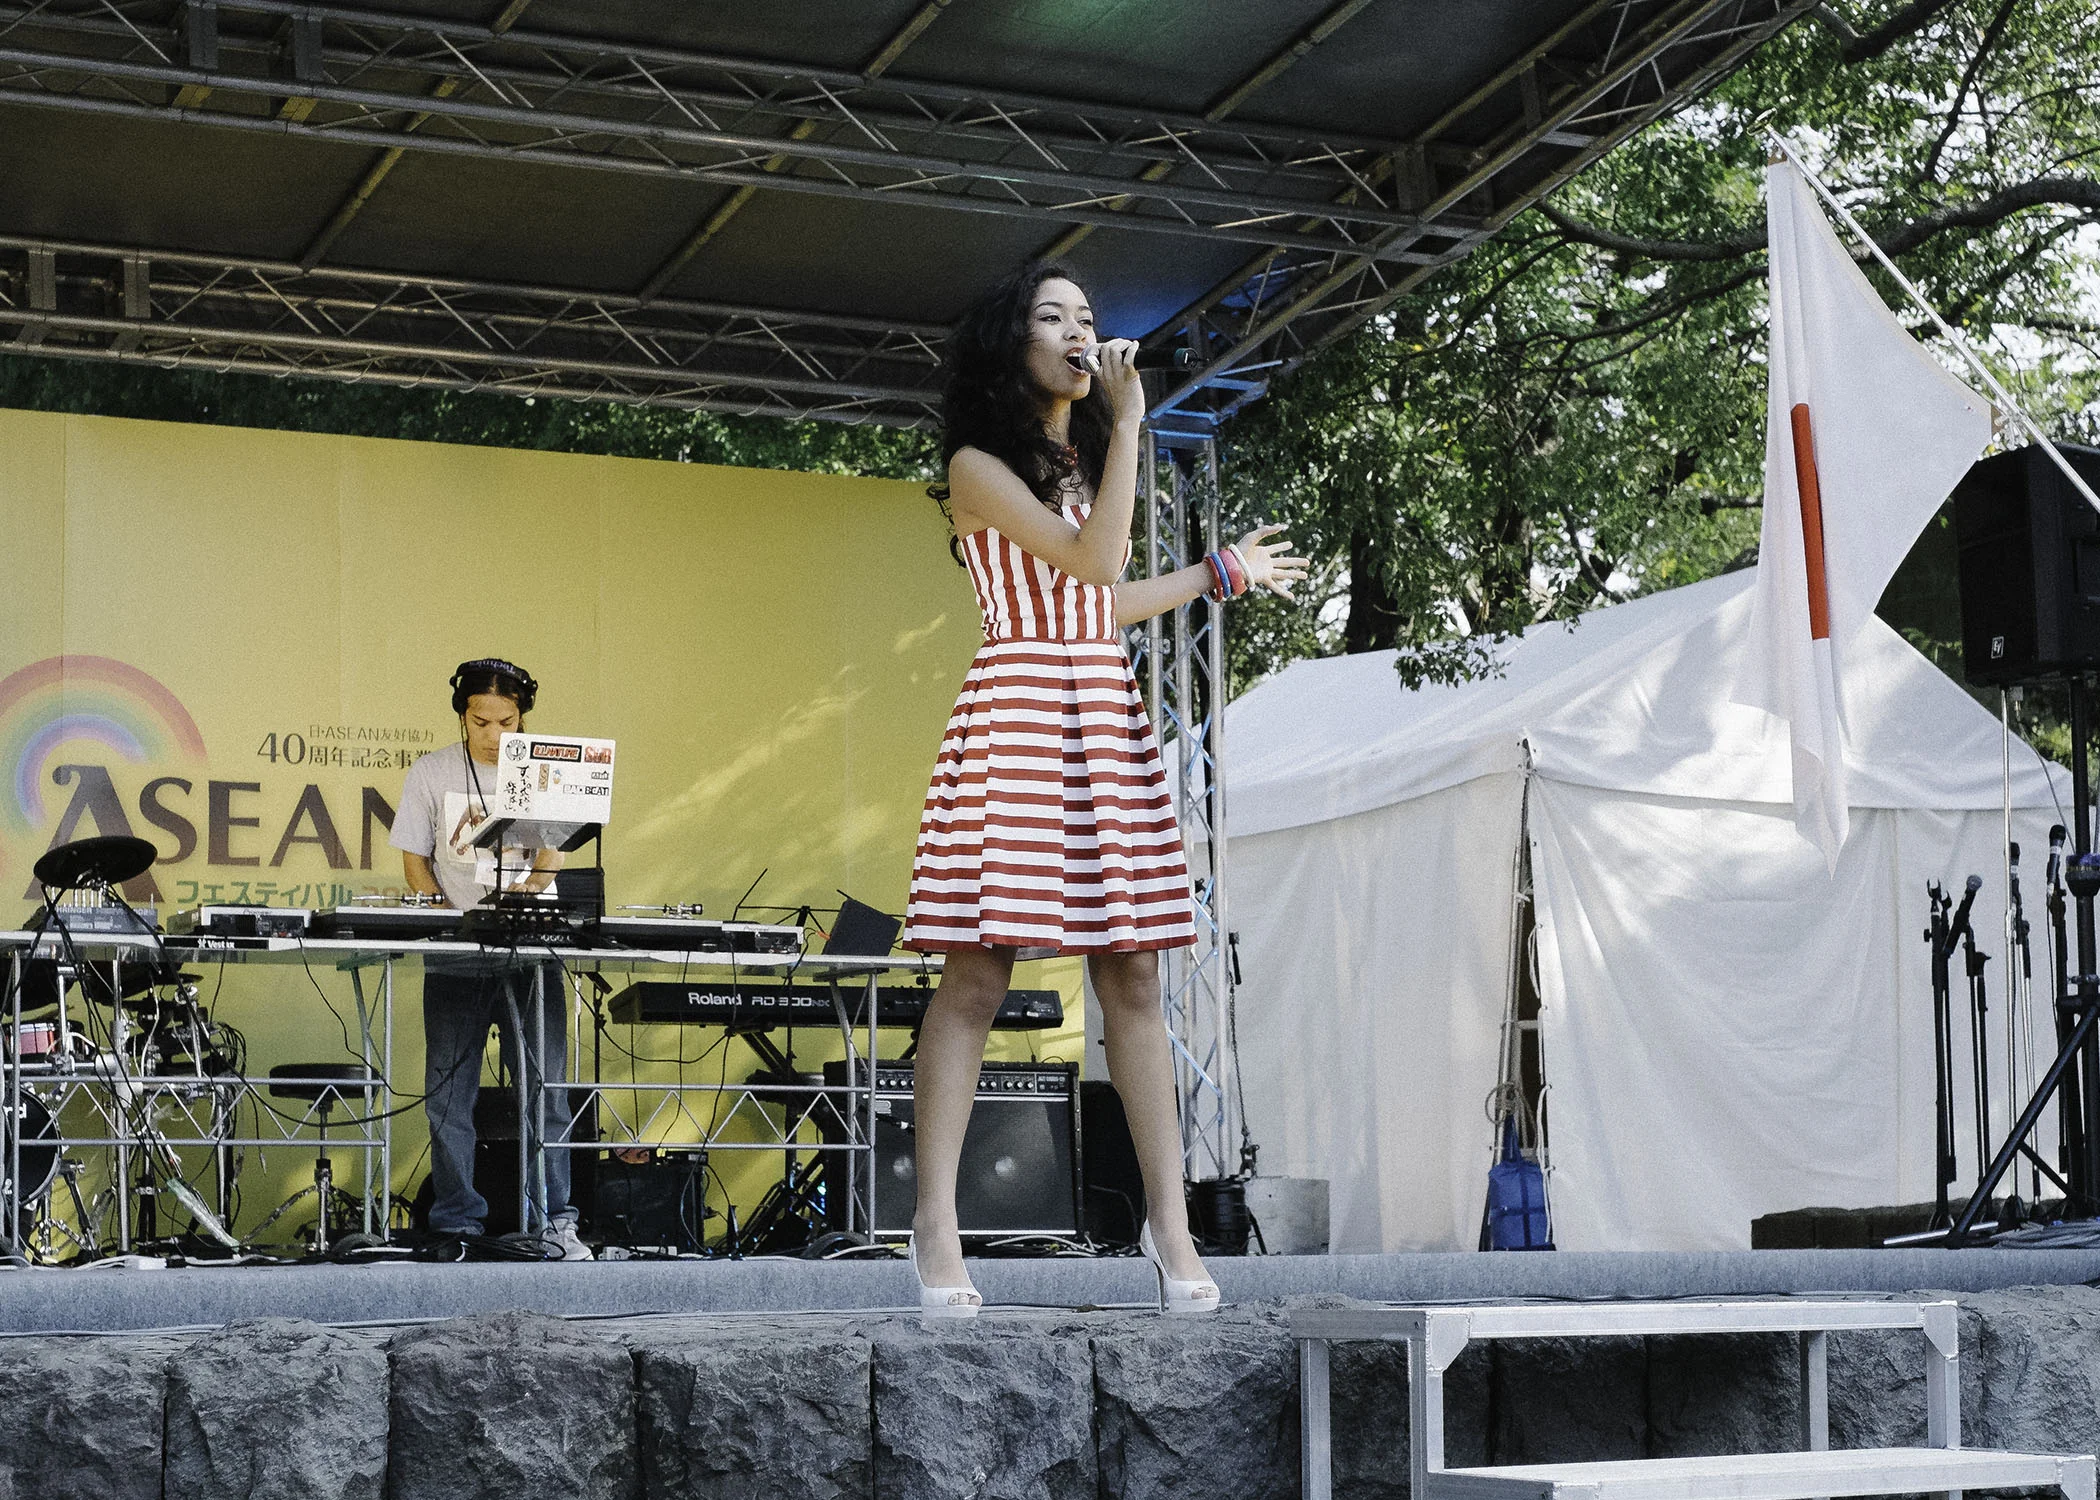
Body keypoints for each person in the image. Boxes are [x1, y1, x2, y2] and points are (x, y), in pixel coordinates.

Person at [901, 261, 1307, 1318]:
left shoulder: (1075, 462)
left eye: (1089, 317)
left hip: (1097, 706)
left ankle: (1166, 1220)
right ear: (1012, 344)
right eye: (1055, 315)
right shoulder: (978, 464)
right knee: (979, 975)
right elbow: (1090, 566)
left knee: (1131, 972)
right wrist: (1131, 424)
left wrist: (1219, 574)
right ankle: (935, 1222)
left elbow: (1104, 604)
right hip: (1022, 706)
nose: (1081, 332)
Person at [390, 657, 591, 1261]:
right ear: (462, 714)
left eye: (506, 722)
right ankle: (457, 1220)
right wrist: (437, 911)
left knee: (545, 1088)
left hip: (531, 950)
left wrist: (529, 892)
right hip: (457, 952)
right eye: (481, 722)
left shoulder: (544, 768)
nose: (494, 735)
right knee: (448, 1093)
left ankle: (554, 1218)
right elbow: (414, 857)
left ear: (522, 715)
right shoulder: (431, 772)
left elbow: (555, 848)